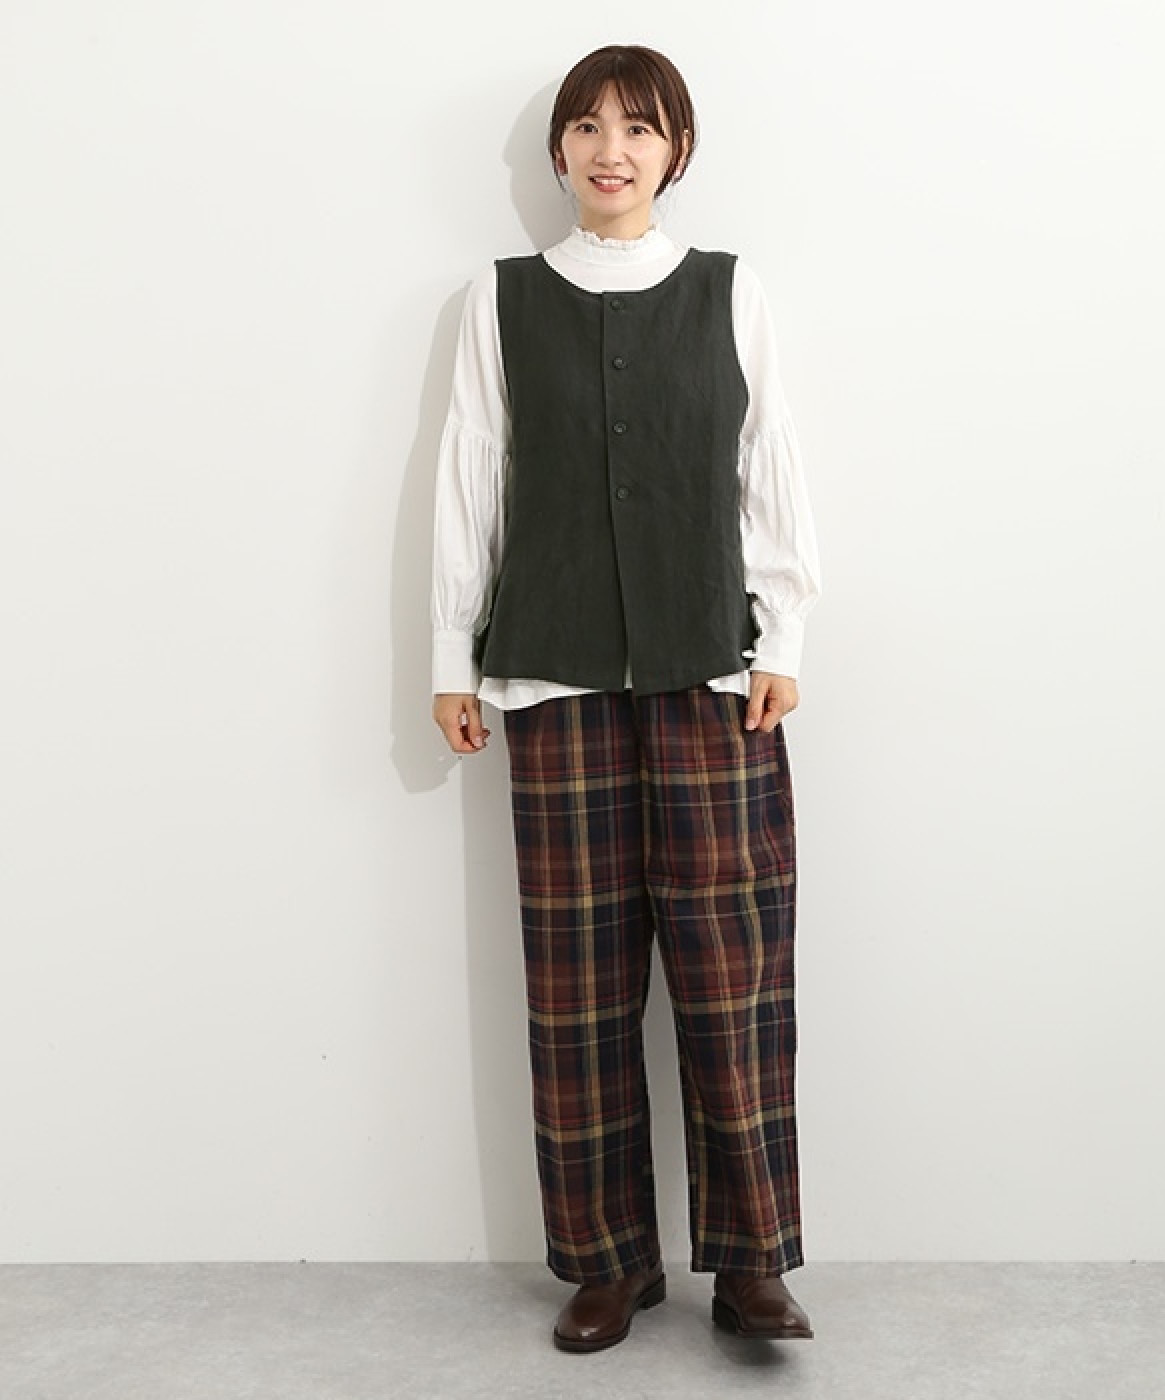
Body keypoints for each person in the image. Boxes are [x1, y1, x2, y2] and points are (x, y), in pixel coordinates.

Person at [430, 44, 821, 1351]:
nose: (612, 150)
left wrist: (785, 633)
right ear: (559, 151)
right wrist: (450, 656)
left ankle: (752, 1264)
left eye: (640, 128)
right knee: (578, 985)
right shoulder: (497, 301)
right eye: (589, 127)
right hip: (554, 677)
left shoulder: (730, 290)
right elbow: (472, 472)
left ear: (676, 151)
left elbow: (767, 458)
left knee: (733, 975)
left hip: (715, 676)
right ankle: (607, 1263)